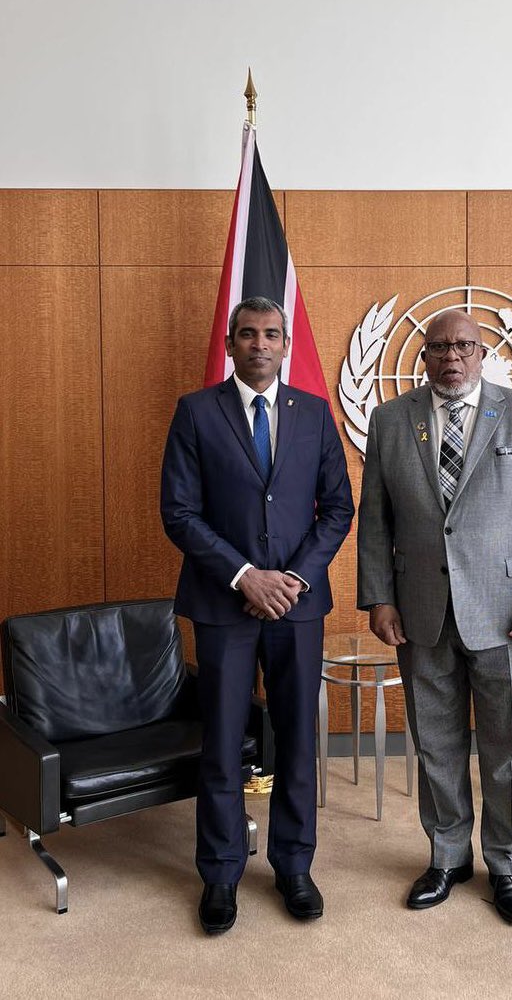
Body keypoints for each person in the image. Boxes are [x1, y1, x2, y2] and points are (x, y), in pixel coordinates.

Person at [357, 309, 512, 926]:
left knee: (508, 748)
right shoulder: (391, 420)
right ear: (423, 356)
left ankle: (507, 866)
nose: (452, 357)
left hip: (510, 614)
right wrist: (379, 597)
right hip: (420, 609)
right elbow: (375, 518)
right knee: (435, 743)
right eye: (439, 347)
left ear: (484, 354)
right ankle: (447, 856)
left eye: (465, 346)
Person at [161, 296, 354, 935]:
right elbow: (180, 513)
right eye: (248, 334)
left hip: (298, 605)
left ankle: (294, 866)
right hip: (224, 603)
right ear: (231, 343)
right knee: (221, 741)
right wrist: (246, 576)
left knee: (298, 737)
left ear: (286, 343)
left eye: (272, 334)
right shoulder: (195, 412)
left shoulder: (315, 414)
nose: (261, 345)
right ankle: (219, 876)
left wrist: (293, 579)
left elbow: (337, 510)